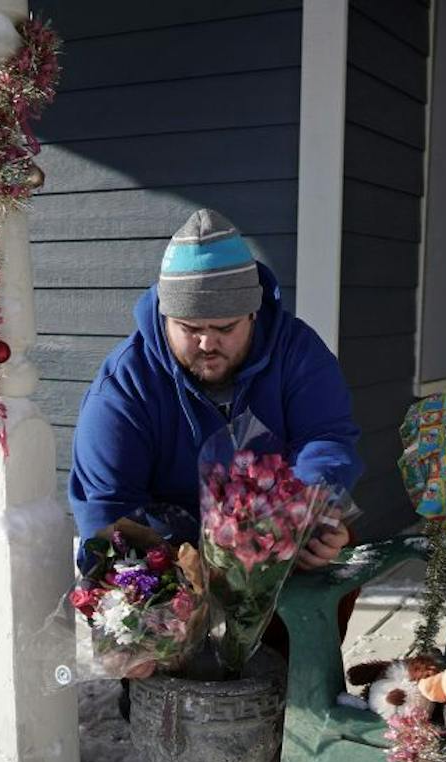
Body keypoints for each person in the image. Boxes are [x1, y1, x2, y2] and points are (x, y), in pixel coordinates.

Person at [68, 209, 364, 693]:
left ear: (253, 312)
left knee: (339, 541)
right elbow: (105, 506)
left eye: (225, 326)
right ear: (165, 316)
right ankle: (158, 692)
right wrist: (117, 604)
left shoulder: (296, 351)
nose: (208, 342)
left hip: (269, 526)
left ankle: (295, 688)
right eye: (189, 327)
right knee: (147, 612)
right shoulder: (124, 386)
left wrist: (310, 510)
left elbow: (327, 437)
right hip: (168, 542)